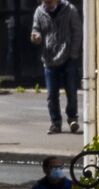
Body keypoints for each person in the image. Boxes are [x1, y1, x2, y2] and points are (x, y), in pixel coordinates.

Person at [34, 0, 82, 130]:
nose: (48, 4)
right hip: (49, 58)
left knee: (71, 91)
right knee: (51, 94)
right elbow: (36, 29)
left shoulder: (70, 10)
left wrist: (73, 53)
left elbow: (77, 32)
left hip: (68, 57)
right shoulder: (40, 12)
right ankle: (55, 122)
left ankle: (72, 118)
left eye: (50, 2)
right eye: (45, 2)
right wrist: (36, 37)